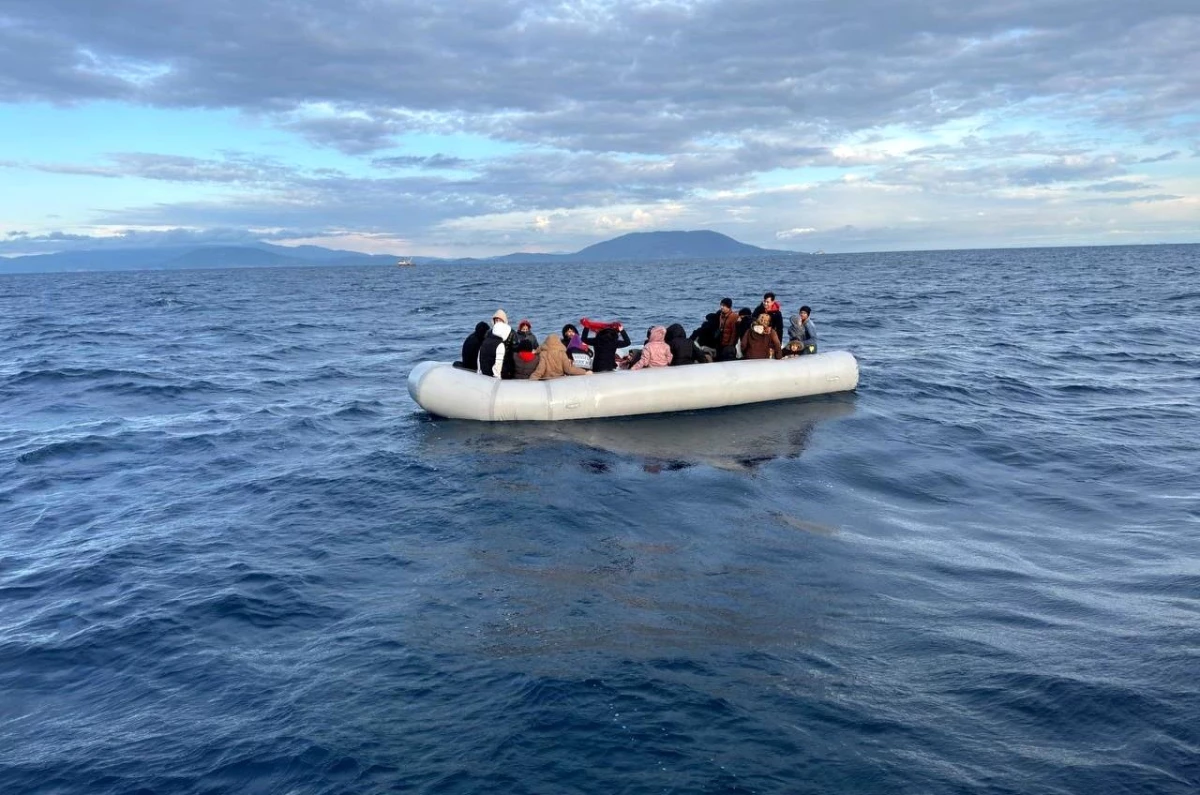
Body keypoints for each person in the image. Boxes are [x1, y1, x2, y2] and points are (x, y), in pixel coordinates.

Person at [477, 309, 516, 378]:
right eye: (496, 320)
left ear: (504, 321)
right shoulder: (489, 332)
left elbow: (515, 348)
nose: (498, 322)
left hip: (506, 361)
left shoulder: (511, 332)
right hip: (491, 361)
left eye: (500, 320)